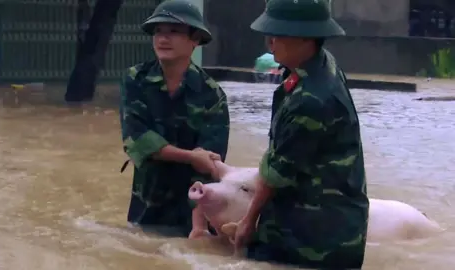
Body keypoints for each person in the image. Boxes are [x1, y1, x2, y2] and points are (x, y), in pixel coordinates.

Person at [232, 0, 370, 268]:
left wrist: (248, 221)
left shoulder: (312, 100)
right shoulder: (321, 64)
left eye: (278, 34)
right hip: (332, 224)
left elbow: (276, 175)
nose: (269, 42)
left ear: (307, 38)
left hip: (311, 240)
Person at [118, 0, 230, 238]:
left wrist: (199, 225)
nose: (162, 39)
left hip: (190, 213)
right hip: (145, 208)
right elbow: (137, 141)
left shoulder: (211, 94)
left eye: (174, 31)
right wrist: (190, 156)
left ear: (195, 39)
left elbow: (210, 163)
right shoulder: (136, 79)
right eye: (158, 31)